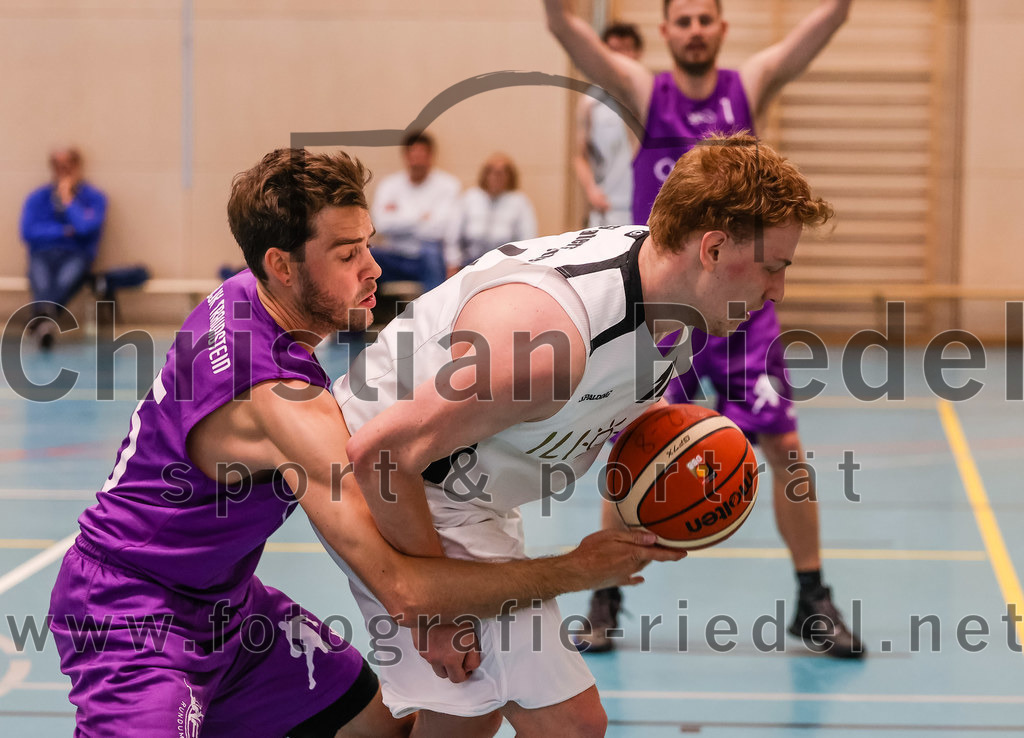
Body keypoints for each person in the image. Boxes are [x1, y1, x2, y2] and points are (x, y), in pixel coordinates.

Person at [47, 148, 686, 738]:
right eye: (348, 253)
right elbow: (403, 589)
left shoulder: (247, 297)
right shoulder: (284, 403)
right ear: (282, 263)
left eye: (368, 245)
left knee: (384, 727)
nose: (372, 268)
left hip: (229, 607)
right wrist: (575, 570)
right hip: (130, 614)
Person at [335, 133, 832, 736]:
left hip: (462, 482)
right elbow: (380, 455)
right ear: (714, 247)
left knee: (466, 716)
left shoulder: (679, 295)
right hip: (390, 482)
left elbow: (610, 401)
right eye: (774, 267)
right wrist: (430, 614)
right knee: (567, 723)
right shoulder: (546, 344)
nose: (778, 290)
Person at [544, 0, 863, 658]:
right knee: (634, 452)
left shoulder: (747, 87)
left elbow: (822, 28)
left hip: (744, 311)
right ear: (666, 31)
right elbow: (566, 33)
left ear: (721, 28)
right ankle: (606, 597)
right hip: (666, 312)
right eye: (682, 20)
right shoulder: (643, 90)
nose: (693, 30)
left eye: (704, 19)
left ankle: (812, 597)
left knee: (787, 453)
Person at [20, 147, 107, 349]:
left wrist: (68, 200)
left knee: (66, 279)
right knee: (41, 280)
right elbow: (29, 231)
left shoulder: (94, 198)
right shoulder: (38, 197)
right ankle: (46, 321)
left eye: (68, 165)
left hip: (76, 255)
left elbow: (86, 227)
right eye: (58, 166)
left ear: (78, 167)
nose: (63, 170)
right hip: (42, 254)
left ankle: (39, 320)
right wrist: (63, 231)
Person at [371, 131, 461, 292]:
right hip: (394, 255)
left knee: (431, 250)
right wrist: (421, 217)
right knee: (366, 255)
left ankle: (434, 312)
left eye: (422, 153)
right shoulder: (389, 185)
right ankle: (366, 314)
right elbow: (381, 225)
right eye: (413, 153)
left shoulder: (448, 185)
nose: (417, 159)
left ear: (431, 155)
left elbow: (439, 229)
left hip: (426, 258)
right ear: (405, 155)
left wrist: (399, 218)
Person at [573, 22, 643, 227]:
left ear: (637, 53)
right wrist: (590, 190)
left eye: (626, 49)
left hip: (647, 206)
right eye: (613, 50)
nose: (619, 57)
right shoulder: (589, 103)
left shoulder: (651, 96)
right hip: (608, 209)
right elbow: (580, 156)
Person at [444, 153, 537, 275]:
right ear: (485, 174)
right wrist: (452, 263)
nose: (497, 176)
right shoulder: (470, 197)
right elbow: (453, 235)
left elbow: (528, 239)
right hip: (470, 261)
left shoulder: (520, 202)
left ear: (510, 176)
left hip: (504, 263)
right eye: (492, 171)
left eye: (503, 172)